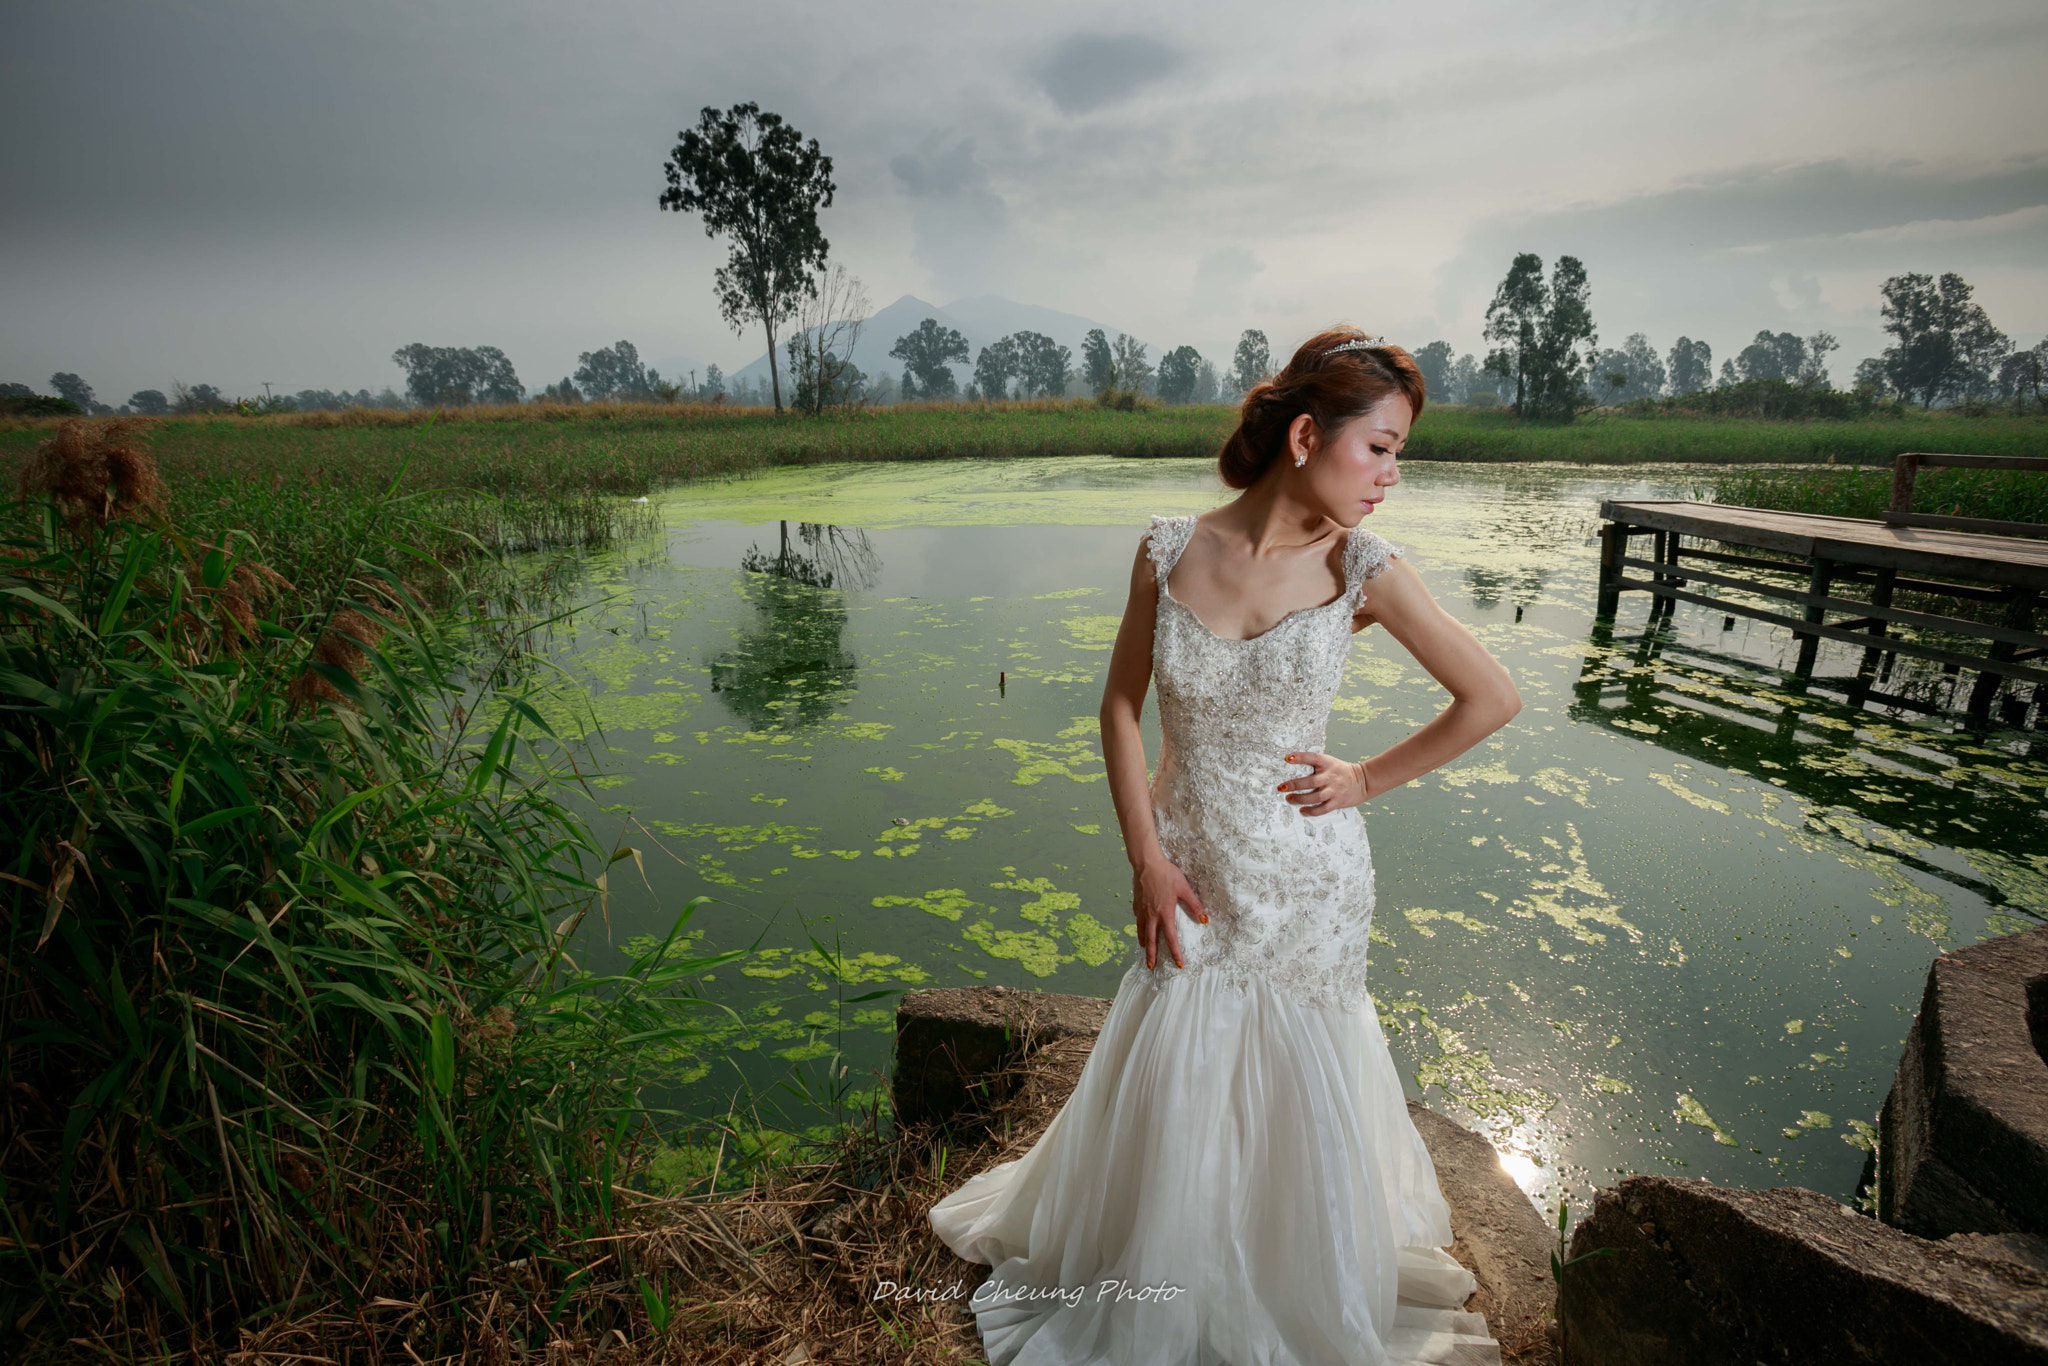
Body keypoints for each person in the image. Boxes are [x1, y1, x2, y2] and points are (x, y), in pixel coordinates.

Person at [927, 327, 1521, 1365]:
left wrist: (1365, 777)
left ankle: (1288, 1278)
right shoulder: (1168, 548)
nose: (1390, 474)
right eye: (1378, 447)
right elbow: (1117, 708)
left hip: (1306, 878)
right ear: (1305, 434)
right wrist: (1144, 856)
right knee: (1180, 1044)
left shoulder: (1362, 568)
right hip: (1191, 859)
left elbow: (1491, 696)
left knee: (1292, 1068)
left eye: (1398, 453)